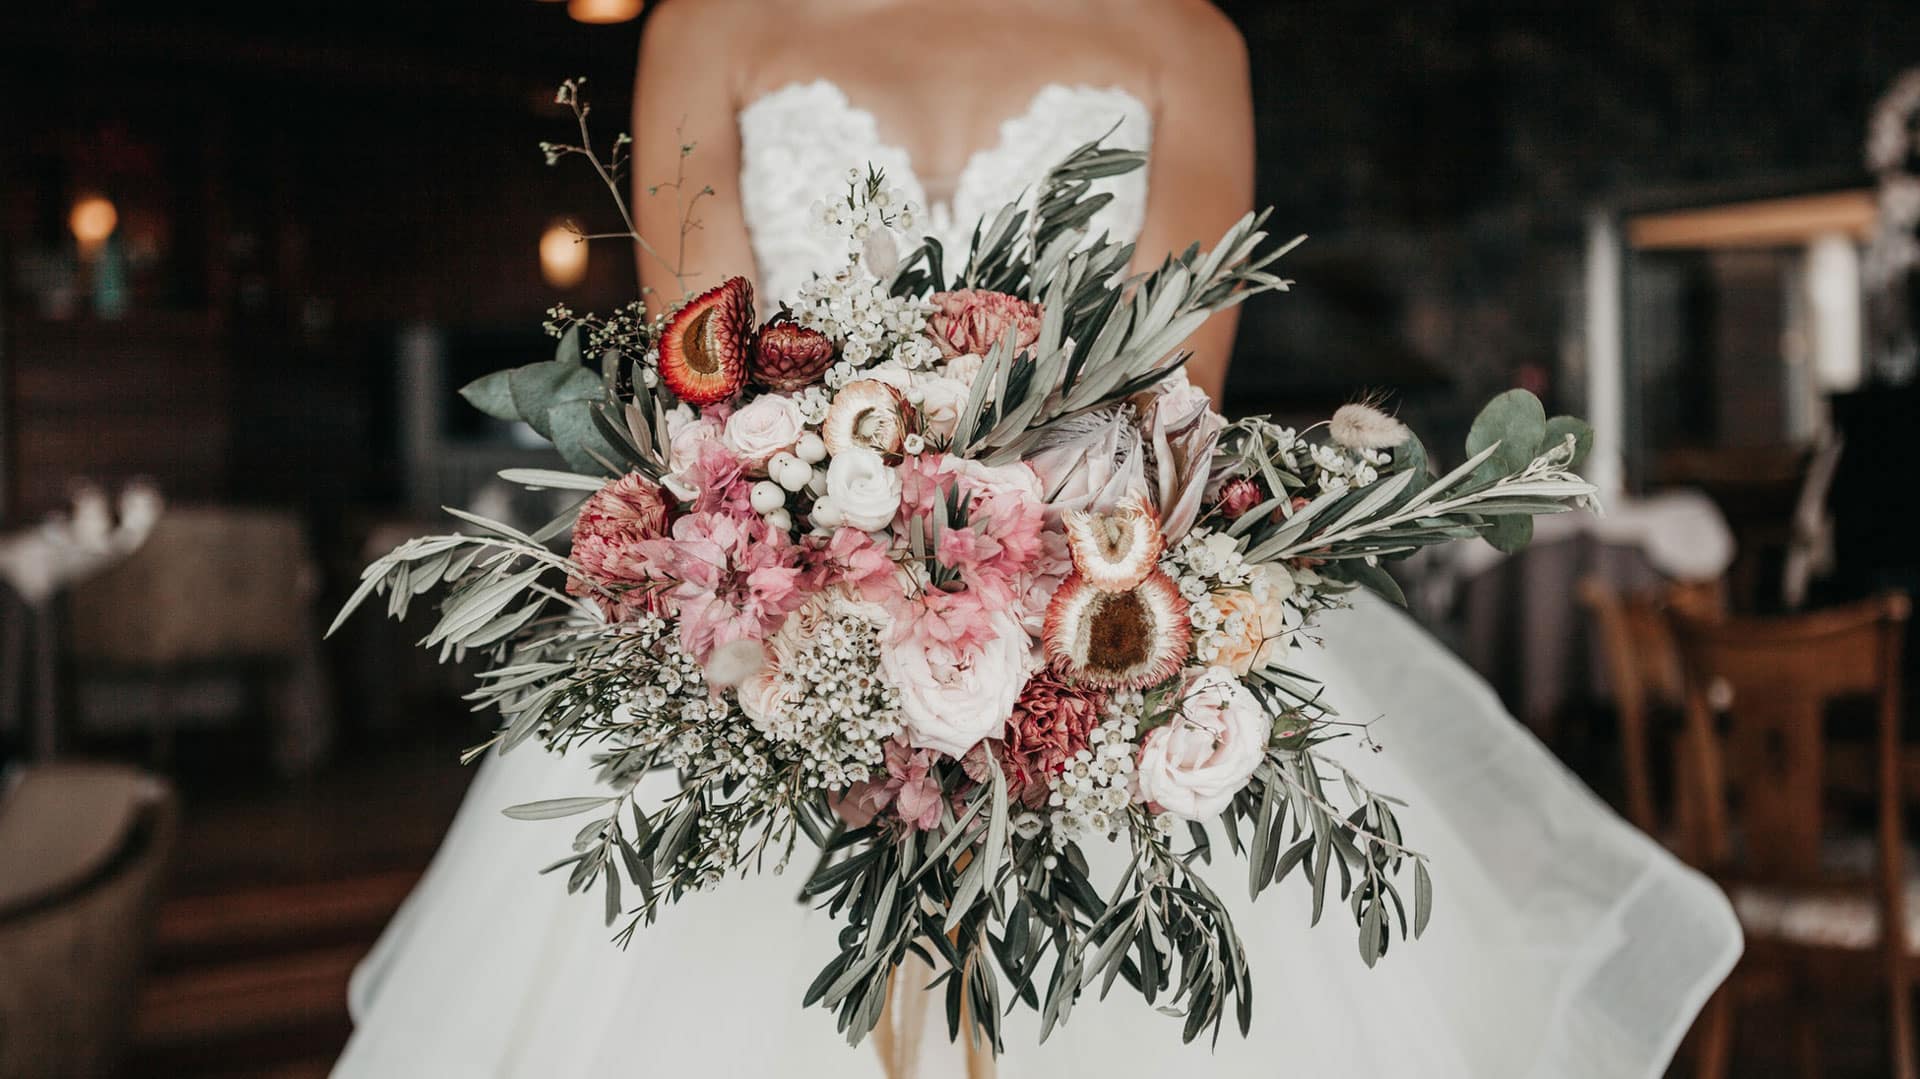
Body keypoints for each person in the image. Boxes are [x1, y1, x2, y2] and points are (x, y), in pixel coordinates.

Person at [337, 3, 1741, 1076]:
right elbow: (706, 385)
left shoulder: (1185, 38)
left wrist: (1012, 625)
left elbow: (1170, 413)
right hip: (774, 635)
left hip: (1097, 632)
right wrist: (829, 601)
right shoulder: (711, 23)